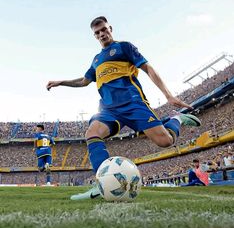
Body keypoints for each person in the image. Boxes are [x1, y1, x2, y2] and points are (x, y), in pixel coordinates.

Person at [47, 16, 201, 200]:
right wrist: (60, 82)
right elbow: (84, 81)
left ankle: (176, 119)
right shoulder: (96, 60)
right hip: (108, 110)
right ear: (94, 36)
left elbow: (149, 68)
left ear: (110, 28)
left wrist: (168, 95)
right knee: (92, 133)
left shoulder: (124, 47)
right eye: (97, 33)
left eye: (104, 30)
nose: (101, 34)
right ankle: (100, 185)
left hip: (133, 104)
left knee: (165, 142)